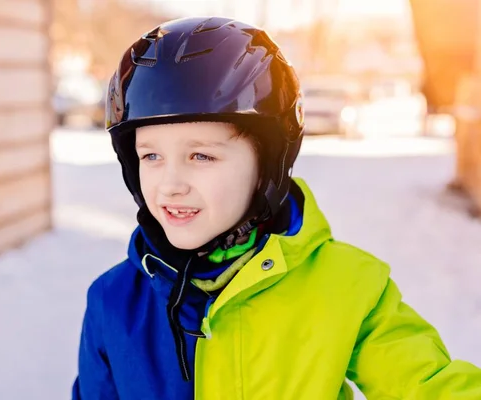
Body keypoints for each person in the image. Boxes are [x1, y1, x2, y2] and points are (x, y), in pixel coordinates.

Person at [71, 16, 481, 399]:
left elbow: (430, 385)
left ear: (266, 165)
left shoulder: (347, 287)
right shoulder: (113, 302)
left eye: (201, 156)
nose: (171, 184)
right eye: (151, 156)